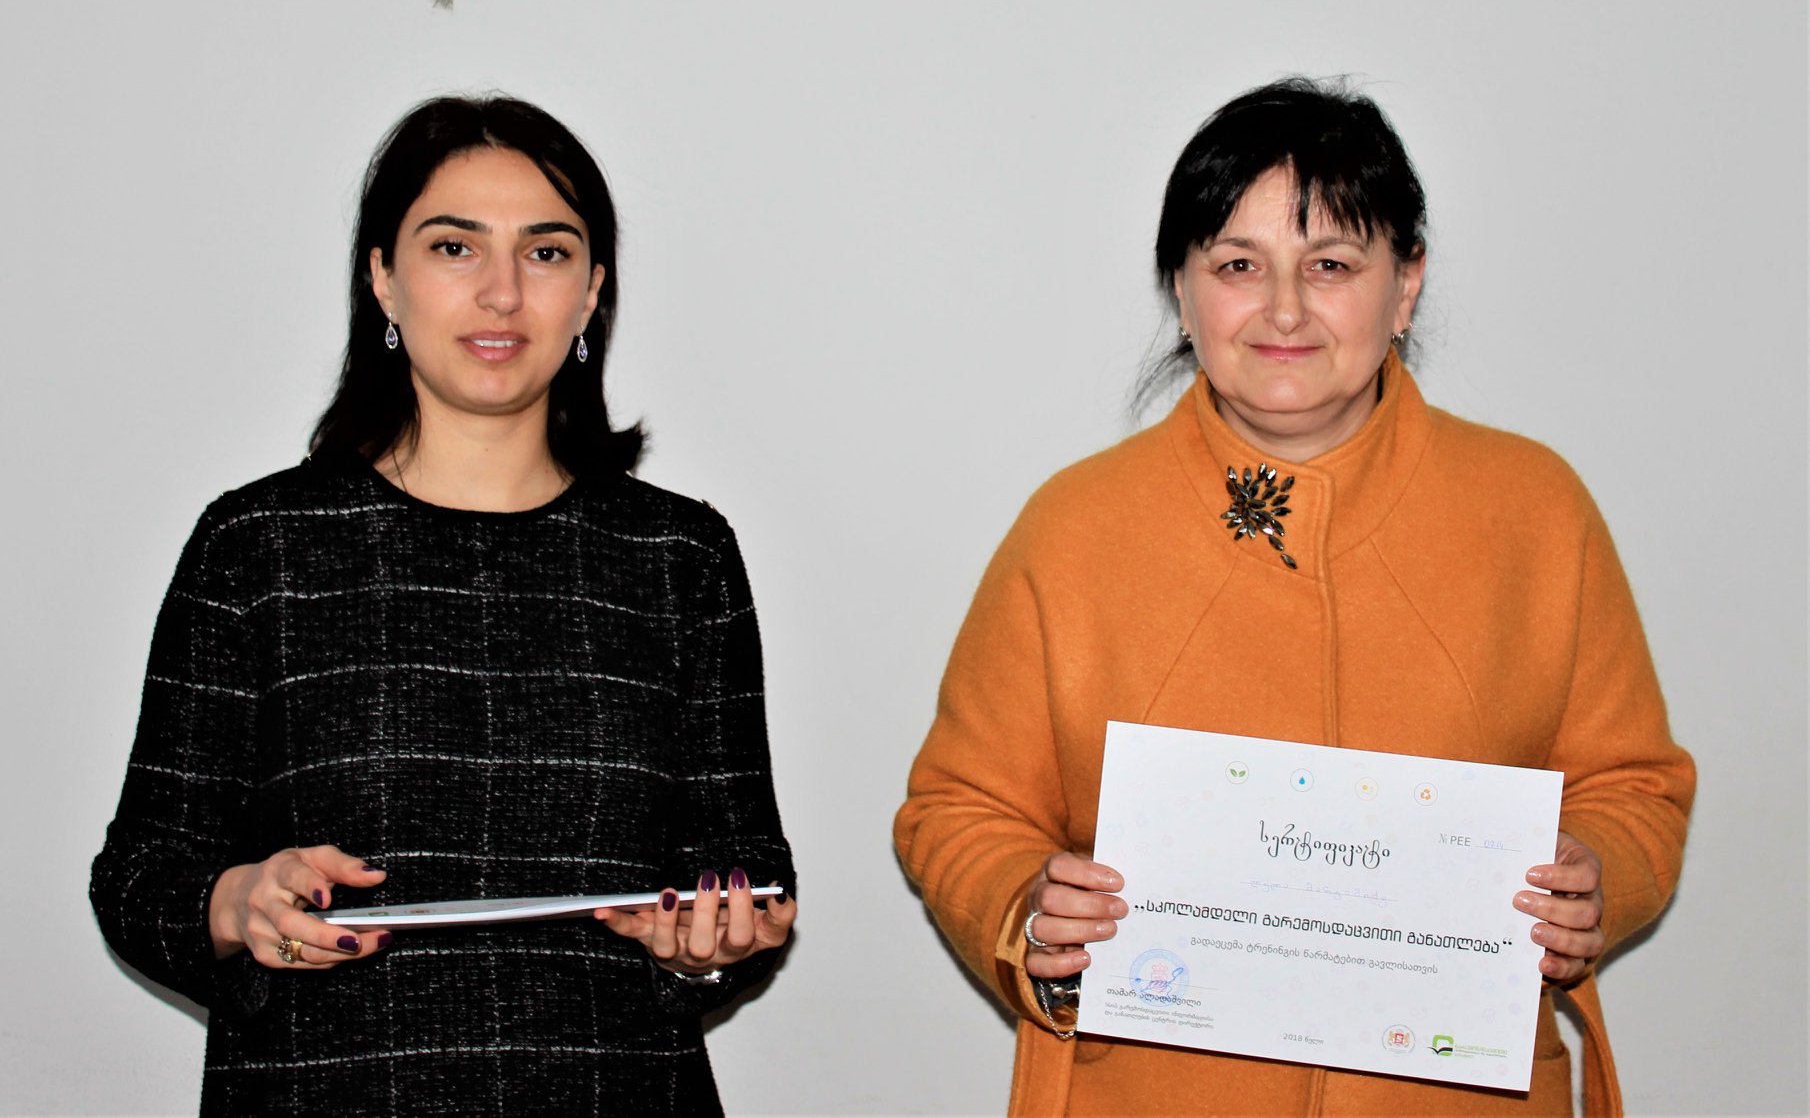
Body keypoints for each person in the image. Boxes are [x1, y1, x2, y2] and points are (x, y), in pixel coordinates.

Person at [894, 78, 1693, 1117]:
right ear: (1182, 291)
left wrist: (1598, 874)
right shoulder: (1075, 526)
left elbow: (1633, 784)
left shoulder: (1533, 509)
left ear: (1405, 286)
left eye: (1331, 265)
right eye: (1237, 265)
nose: (1283, 309)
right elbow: (960, 806)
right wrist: (1026, 908)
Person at [91, 96, 796, 1115]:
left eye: (546, 253)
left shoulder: (681, 557)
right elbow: (139, 876)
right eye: (455, 246)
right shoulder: (256, 546)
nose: (502, 292)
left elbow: (747, 866)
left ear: (592, 292)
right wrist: (233, 901)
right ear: (384, 276)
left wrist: (710, 944)